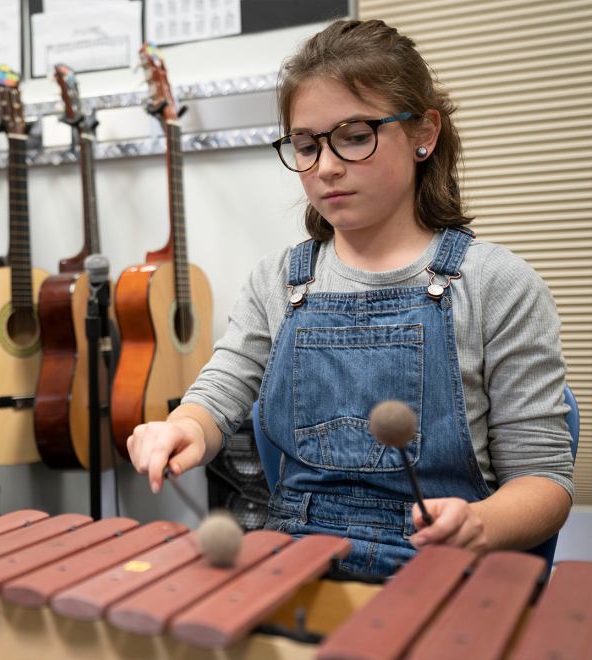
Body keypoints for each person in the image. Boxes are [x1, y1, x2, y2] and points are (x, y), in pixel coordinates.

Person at [127, 19, 574, 575]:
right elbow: (222, 387)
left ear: (423, 134)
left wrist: (479, 523)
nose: (327, 167)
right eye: (306, 145)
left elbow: (546, 482)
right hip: (299, 560)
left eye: (356, 135)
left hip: (445, 567)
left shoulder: (496, 284)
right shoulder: (279, 280)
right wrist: (183, 427)